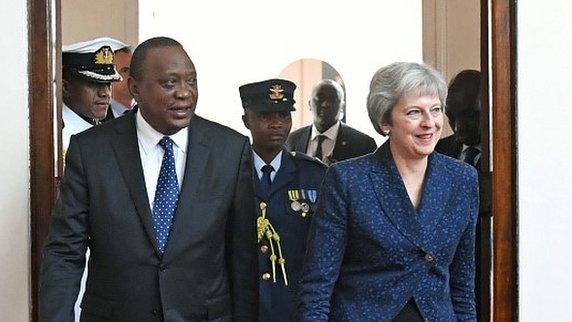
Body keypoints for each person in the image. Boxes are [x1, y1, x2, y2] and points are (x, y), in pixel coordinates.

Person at [40, 37, 258, 322]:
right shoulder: (92, 151)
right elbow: (65, 252)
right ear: (135, 89)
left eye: (191, 81)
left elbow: (242, 260)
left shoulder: (230, 150)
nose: (184, 93)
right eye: (169, 83)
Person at [298, 62, 479, 321]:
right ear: (385, 122)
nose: (430, 123)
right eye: (415, 113)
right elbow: (317, 286)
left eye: (436, 110)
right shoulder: (348, 180)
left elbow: (462, 287)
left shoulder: (462, 179)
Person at [239, 79, 326, 322]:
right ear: (246, 120)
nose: (276, 123)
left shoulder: (313, 175)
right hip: (245, 306)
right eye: (266, 115)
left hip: (296, 305)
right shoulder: (231, 172)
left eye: (283, 115)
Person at [435, 69, 491, 320]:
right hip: (443, 281)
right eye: (451, 117)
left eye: (471, 116)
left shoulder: (512, 156)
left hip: (491, 277)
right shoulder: (438, 150)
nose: (459, 127)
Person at [286, 79, 376, 164]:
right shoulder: (292, 140)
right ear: (310, 104)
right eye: (320, 98)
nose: (326, 104)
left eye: (333, 99)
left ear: (342, 106)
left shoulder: (363, 144)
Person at [62, 37, 124, 151]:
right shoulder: (58, 135)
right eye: (94, 84)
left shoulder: (107, 128)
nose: (105, 93)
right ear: (65, 88)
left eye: (108, 83)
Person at [109, 43, 135, 118]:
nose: (132, 75)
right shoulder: (97, 118)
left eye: (135, 69)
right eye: (125, 71)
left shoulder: (148, 115)